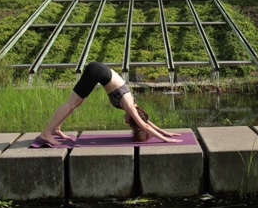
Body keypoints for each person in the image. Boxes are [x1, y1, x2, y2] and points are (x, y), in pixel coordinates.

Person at [38, 61, 182, 145]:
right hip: (96, 71)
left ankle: (56, 128)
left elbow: (146, 121)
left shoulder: (134, 107)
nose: (126, 122)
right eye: (130, 122)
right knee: (71, 103)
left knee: (77, 102)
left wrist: (165, 132)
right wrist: (165, 140)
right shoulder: (130, 106)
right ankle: (46, 133)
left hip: (98, 72)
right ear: (132, 117)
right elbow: (143, 125)